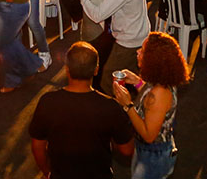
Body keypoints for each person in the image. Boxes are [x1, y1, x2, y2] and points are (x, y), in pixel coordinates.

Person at [28, 42, 135, 179]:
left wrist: (47, 172)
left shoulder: (48, 102)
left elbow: (37, 146)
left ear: (67, 69)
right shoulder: (110, 107)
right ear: (96, 70)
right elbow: (127, 150)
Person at [71, 0, 150, 96]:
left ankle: (118, 113)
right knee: (134, 81)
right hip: (138, 35)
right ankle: (136, 109)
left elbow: (97, 15)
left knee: (109, 82)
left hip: (129, 41)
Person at [112, 32, 188, 179]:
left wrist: (127, 105)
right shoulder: (162, 79)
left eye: (143, 51)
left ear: (154, 60)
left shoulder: (159, 93)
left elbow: (148, 135)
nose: (138, 52)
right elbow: (150, 100)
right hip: (148, 152)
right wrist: (137, 82)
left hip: (153, 156)